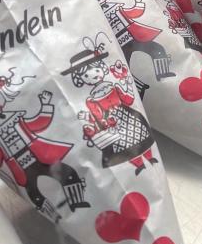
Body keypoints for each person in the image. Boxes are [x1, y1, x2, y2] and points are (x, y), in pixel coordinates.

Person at [0, 71, 88, 221]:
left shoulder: (16, 118)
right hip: (19, 167)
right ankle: (55, 216)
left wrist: (45, 105)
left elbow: (38, 123)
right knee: (34, 194)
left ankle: (78, 202)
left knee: (68, 173)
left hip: (39, 156)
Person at [62, 36, 157, 175]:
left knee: (141, 136)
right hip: (111, 121)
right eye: (86, 75)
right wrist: (104, 122)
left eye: (95, 70)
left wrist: (126, 85)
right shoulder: (91, 99)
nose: (92, 75)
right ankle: (139, 164)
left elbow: (127, 99)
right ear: (80, 79)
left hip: (127, 114)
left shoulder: (112, 86)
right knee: (123, 146)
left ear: (102, 68)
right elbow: (96, 113)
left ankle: (150, 158)